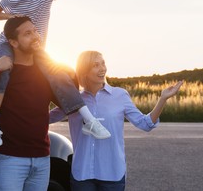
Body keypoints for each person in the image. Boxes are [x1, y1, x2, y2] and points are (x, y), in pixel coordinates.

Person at [0, 0, 121, 147]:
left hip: (35, 47)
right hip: (8, 43)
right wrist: (10, 17)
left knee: (58, 74)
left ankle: (88, 120)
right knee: (3, 69)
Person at [50, 50, 184, 191]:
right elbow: (47, 118)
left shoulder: (120, 95)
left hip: (112, 175)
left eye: (103, 63)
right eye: (96, 65)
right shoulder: (73, 99)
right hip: (82, 175)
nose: (102, 69)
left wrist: (162, 99)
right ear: (84, 71)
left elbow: (145, 124)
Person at [0, 16, 61, 190]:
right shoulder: (0, 70)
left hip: (42, 158)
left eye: (35, 30)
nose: (35, 36)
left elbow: (65, 102)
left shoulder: (45, 72)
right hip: (10, 159)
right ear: (13, 42)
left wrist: (65, 74)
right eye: (28, 33)